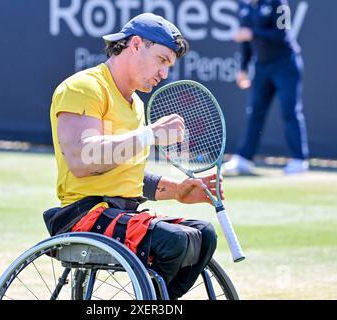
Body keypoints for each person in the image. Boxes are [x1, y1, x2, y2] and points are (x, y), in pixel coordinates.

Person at [47, 13, 223, 300]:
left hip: (123, 213)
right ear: (136, 44)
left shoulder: (136, 105)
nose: (165, 73)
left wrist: (177, 190)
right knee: (175, 241)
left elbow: (127, 174)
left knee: (204, 235)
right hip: (83, 216)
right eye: (162, 60)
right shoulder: (83, 87)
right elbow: (82, 161)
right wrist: (148, 135)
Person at [223, 0, 309, 175]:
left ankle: (299, 160)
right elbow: (246, 42)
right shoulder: (245, 6)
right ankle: (244, 158)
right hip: (262, 67)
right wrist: (243, 68)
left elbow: (282, 35)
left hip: (286, 65)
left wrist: (252, 33)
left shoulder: (277, 3)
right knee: (255, 112)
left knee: (290, 111)